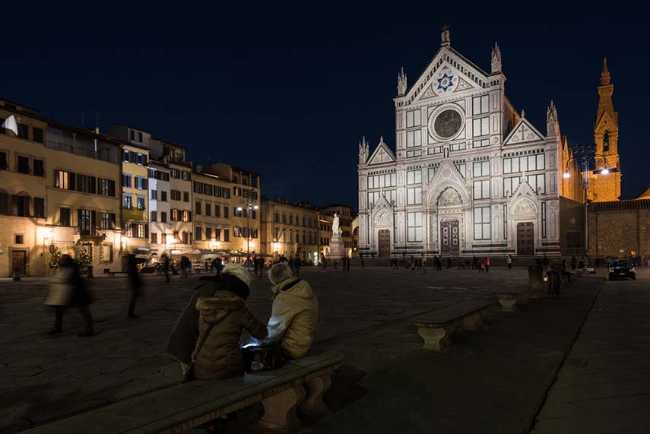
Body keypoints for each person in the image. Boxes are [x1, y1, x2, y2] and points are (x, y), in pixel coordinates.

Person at [166, 264, 267, 380]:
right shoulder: (225, 298)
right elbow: (259, 331)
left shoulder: (213, 288)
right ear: (240, 284)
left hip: (192, 348)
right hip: (188, 344)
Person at [265, 262, 318, 359]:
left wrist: (261, 340)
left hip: (292, 348)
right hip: (305, 341)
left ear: (273, 280)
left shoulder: (285, 297)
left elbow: (274, 330)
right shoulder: (303, 288)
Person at [45, 255, 94, 337]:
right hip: (68, 294)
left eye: (62, 260)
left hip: (78, 294)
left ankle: (89, 330)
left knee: (84, 312)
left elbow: (69, 280)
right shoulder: (65, 268)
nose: (60, 261)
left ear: (67, 261)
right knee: (59, 311)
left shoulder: (72, 269)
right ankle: (58, 327)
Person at [126, 254, 143, 319]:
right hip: (134, 284)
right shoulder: (132, 266)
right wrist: (139, 283)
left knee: (133, 298)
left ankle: (130, 312)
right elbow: (135, 276)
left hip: (134, 284)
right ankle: (130, 313)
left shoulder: (130, 266)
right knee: (133, 299)